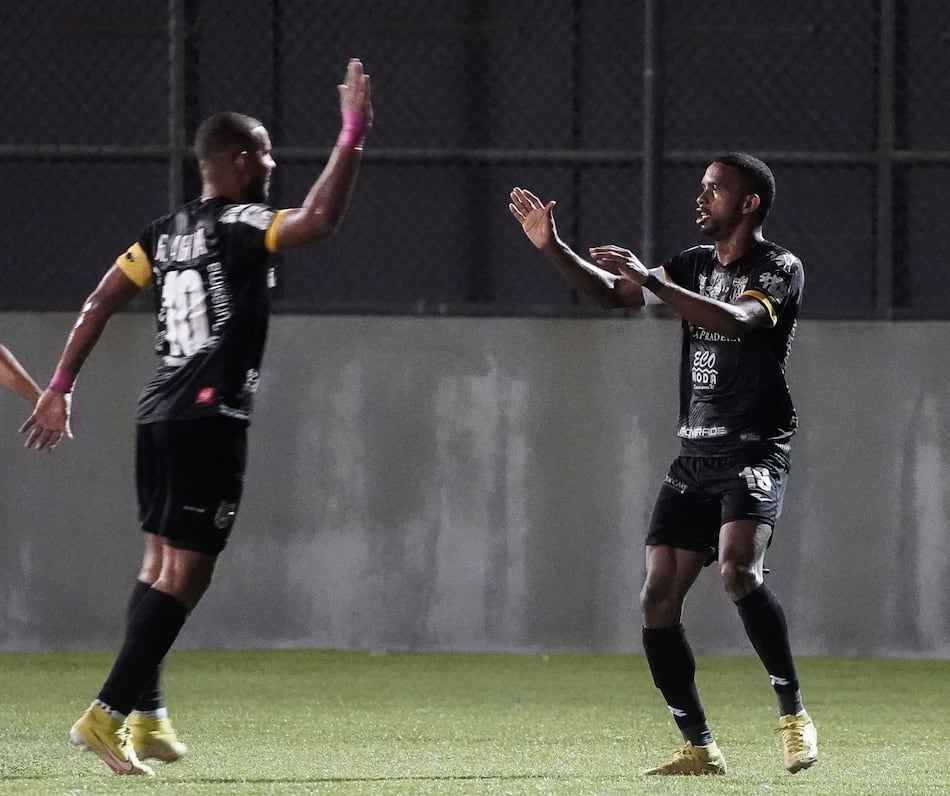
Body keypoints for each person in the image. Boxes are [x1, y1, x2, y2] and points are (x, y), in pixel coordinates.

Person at [21, 58, 373, 777]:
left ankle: (146, 718)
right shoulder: (242, 221)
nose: (274, 165)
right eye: (268, 154)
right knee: (188, 575)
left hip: (158, 414)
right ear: (240, 162)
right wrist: (353, 133)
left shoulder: (162, 233)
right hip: (210, 416)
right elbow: (320, 221)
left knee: (159, 568)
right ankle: (106, 714)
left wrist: (61, 384)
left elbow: (98, 301)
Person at [508, 153, 817, 776]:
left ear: (749, 203)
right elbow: (614, 295)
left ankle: (794, 717)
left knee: (737, 572)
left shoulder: (778, 267)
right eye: (701, 188)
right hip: (696, 451)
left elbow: (736, 319)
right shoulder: (691, 264)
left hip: (753, 445)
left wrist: (655, 283)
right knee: (655, 598)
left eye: (715, 190)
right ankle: (698, 745)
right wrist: (552, 245)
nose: (700, 198)